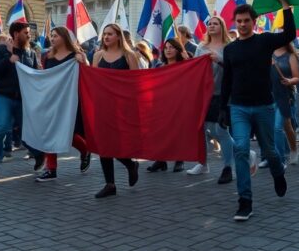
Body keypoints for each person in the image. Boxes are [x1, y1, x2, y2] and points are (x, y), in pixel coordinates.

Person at [219, 0, 293, 222]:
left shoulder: (265, 41)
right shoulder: (229, 49)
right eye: (239, 21)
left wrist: (284, 5)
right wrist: (223, 108)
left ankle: (278, 171)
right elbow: (227, 81)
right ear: (234, 23)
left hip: (263, 106)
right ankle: (245, 201)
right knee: (240, 148)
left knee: (270, 151)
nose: (242, 24)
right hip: (238, 107)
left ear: (254, 21)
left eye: (246, 20)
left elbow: (289, 33)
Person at [0, 21, 45, 182]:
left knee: (28, 131)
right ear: (16, 33)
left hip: (22, 99)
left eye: (29, 33)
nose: (29, 35)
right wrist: (8, 60)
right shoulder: (1, 50)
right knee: (2, 129)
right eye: (26, 32)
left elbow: (33, 75)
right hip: (3, 96)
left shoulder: (30, 52)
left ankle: (39, 155)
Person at [36, 27, 92, 182]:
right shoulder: (48, 56)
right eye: (51, 36)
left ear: (64, 37)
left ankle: (85, 149)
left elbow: (88, 73)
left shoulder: (76, 55)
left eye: (56, 36)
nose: (52, 39)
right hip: (52, 99)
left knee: (69, 133)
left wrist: (84, 61)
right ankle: (51, 168)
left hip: (71, 99)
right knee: (50, 131)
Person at [92, 23, 141, 198]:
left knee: (118, 143)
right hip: (103, 106)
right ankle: (110, 184)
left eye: (110, 34)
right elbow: (93, 79)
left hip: (122, 107)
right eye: (104, 34)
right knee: (104, 144)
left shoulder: (129, 56)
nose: (106, 37)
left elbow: (136, 82)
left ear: (118, 36)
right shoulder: (97, 56)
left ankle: (130, 164)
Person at [187, 16, 235, 184]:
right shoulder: (201, 47)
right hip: (204, 94)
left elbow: (235, 68)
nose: (212, 26)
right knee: (204, 130)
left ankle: (228, 165)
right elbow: (194, 69)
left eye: (215, 23)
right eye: (209, 24)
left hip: (223, 94)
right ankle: (203, 163)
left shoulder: (230, 47)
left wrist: (220, 60)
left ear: (222, 27)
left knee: (220, 131)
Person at [146, 38, 187, 173]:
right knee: (161, 132)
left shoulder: (184, 65)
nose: (168, 50)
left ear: (178, 50)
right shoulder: (159, 66)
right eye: (166, 47)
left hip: (179, 103)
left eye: (172, 47)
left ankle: (179, 159)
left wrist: (188, 61)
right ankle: (161, 160)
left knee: (177, 131)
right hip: (161, 103)